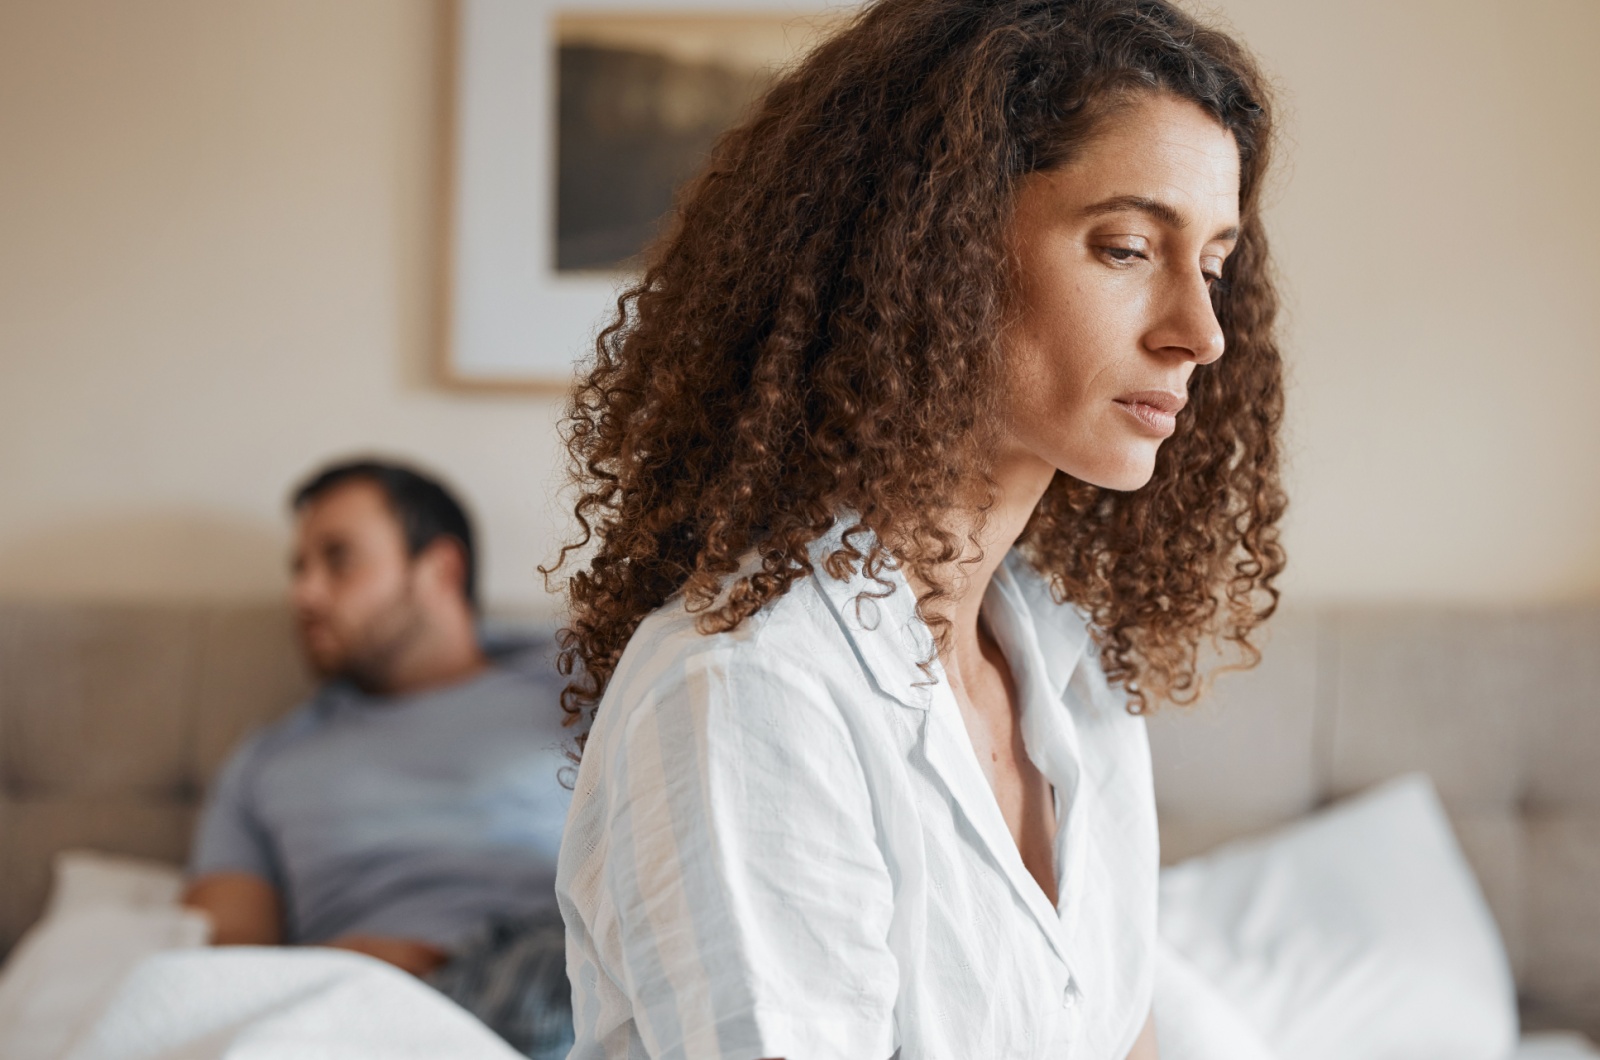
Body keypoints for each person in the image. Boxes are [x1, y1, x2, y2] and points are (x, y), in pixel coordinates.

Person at [546, 0, 1288, 1057]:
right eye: (1125, 247)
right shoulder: (750, 689)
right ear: (933, 244)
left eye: (1212, 265)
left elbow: (1122, 1036)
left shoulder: (1076, 680)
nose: (1200, 332)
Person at [183, 459, 574, 1059]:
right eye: (300, 568)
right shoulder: (266, 761)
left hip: (563, 964)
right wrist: (358, 965)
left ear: (439, 570)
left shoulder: (577, 683)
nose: (304, 593)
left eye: (338, 559)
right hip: (374, 1002)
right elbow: (228, 967)